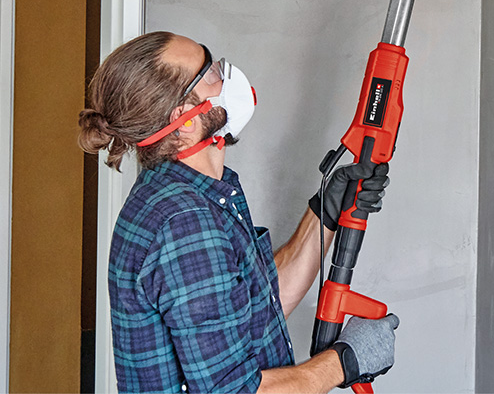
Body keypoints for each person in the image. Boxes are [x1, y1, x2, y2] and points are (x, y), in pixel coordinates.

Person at [78, 31, 398, 393]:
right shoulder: (186, 225)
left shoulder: (188, 195)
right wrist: (346, 362)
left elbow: (255, 310)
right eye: (210, 72)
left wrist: (325, 211)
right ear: (185, 120)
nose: (226, 73)